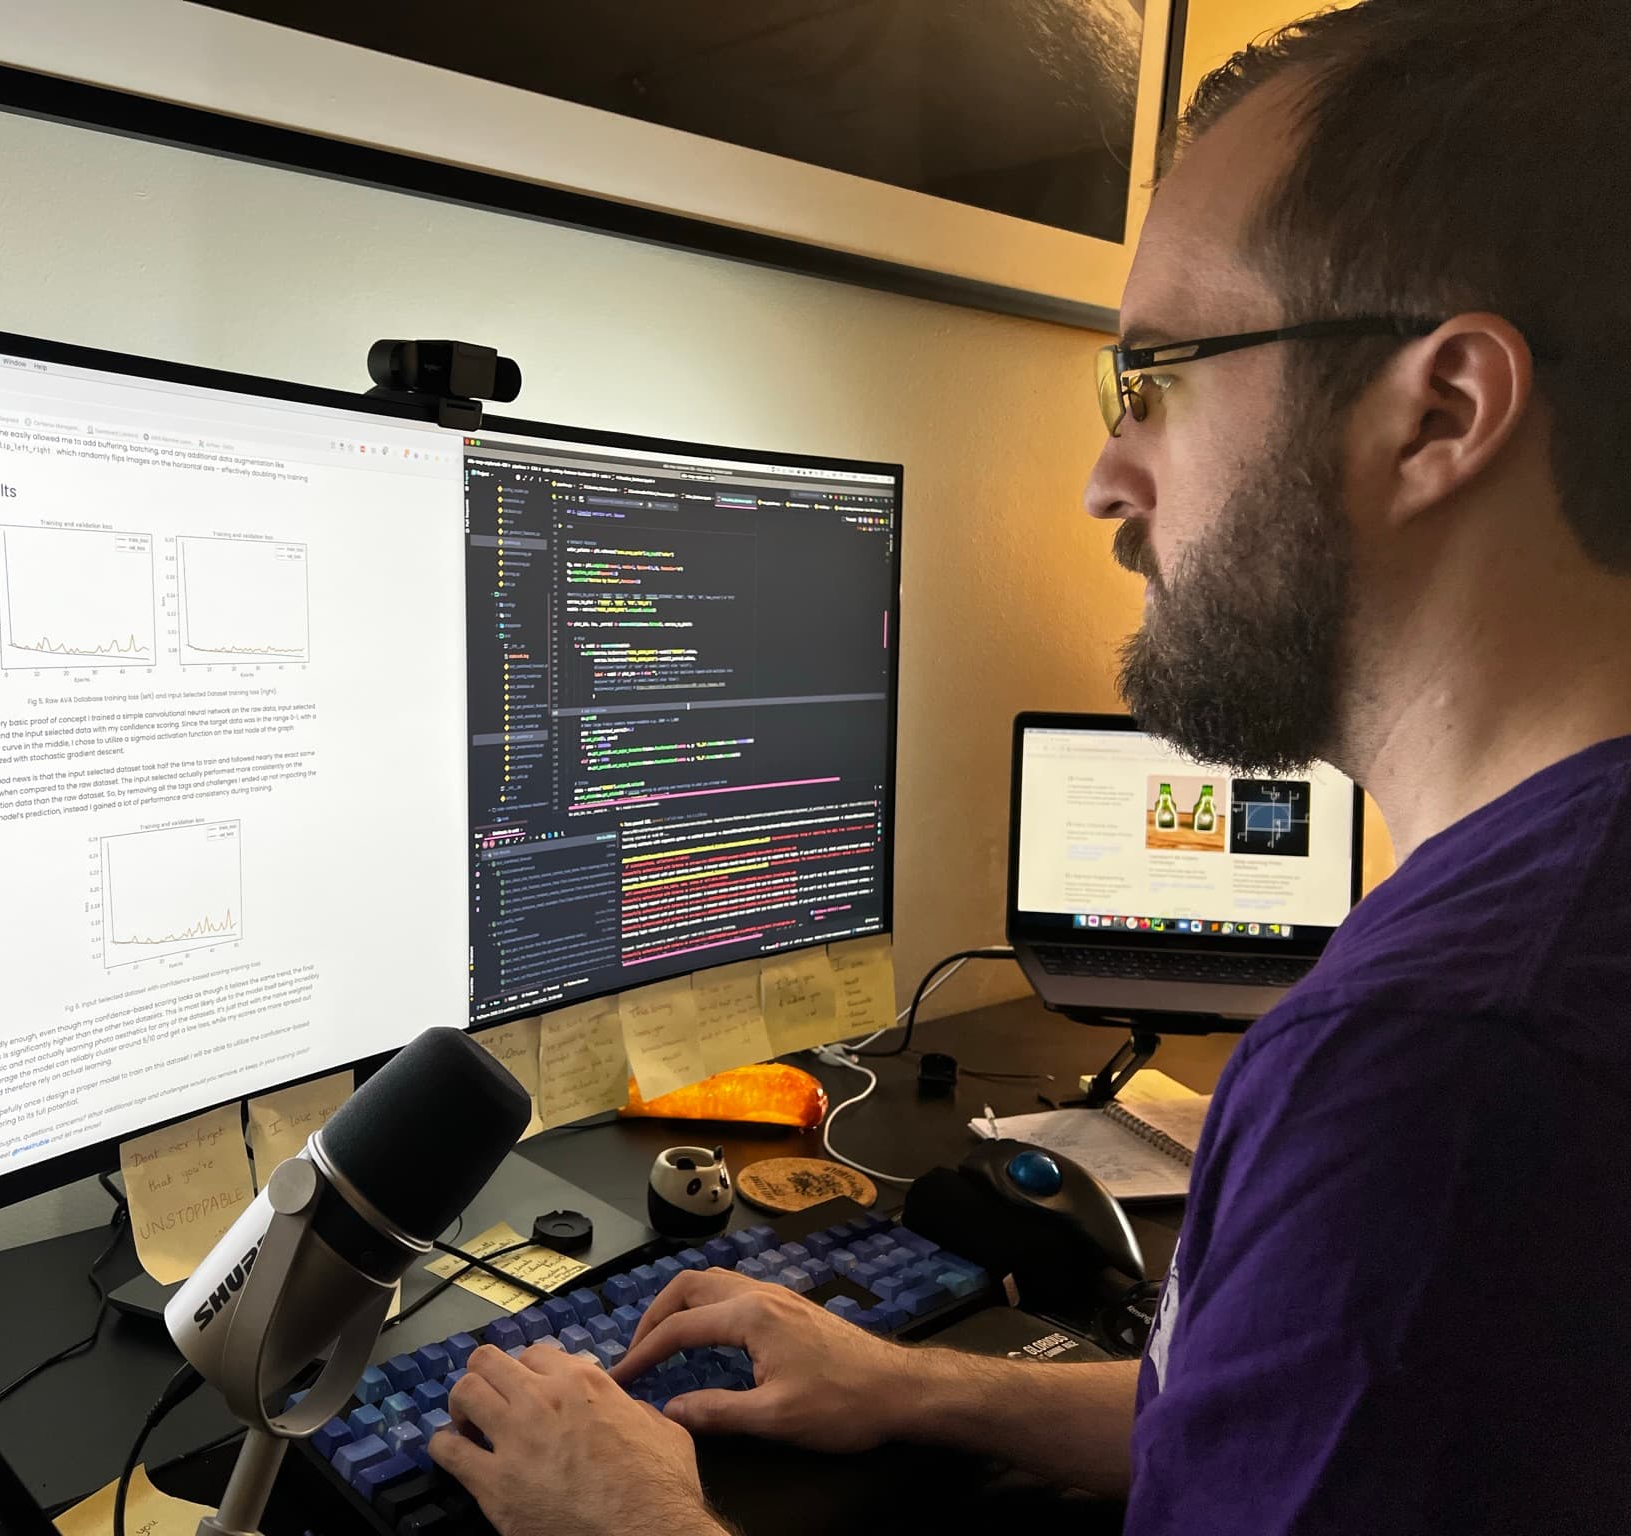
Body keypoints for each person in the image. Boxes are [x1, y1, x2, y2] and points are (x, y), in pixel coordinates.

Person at [429, 2, 1631, 1531]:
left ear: (1439, 414)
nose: (1104, 479)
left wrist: (632, 1520)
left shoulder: (1443, 1067)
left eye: (1157, 378)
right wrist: (918, 1385)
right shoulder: (1537, 935)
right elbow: (1273, 1429)